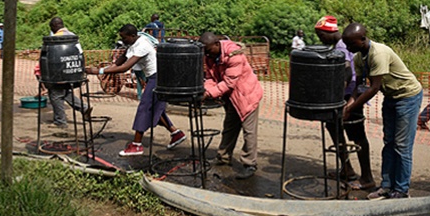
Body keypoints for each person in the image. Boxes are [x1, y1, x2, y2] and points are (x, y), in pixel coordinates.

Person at [342, 23, 423, 200]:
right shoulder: (358, 57)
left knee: (402, 146)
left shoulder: (378, 54)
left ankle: (401, 190)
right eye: (346, 44)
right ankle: (386, 186)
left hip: (407, 97)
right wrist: (348, 105)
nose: (348, 48)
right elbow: (359, 87)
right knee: (389, 142)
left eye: (350, 44)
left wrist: (350, 108)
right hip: (391, 97)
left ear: (363, 39)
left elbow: (374, 88)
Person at [86, 24, 186, 155]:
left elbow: (124, 67)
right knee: (154, 108)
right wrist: (106, 69)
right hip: (154, 77)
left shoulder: (142, 45)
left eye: (124, 38)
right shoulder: (132, 43)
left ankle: (137, 145)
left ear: (132, 36)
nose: (123, 40)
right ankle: (175, 133)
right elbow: (120, 61)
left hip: (159, 78)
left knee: (144, 108)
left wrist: (97, 71)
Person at [314, 15, 375, 191]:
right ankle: (346, 169)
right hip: (347, 95)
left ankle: (366, 176)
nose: (320, 39)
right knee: (335, 129)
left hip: (349, 97)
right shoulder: (341, 44)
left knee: (355, 135)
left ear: (327, 32)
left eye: (320, 35)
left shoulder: (341, 45)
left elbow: (347, 72)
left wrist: (342, 97)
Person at [200, 31, 264, 179]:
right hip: (231, 98)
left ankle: (250, 164)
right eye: (205, 52)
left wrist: (209, 94)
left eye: (208, 51)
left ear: (216, 44)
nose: (207, 54)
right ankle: (223, 157)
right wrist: (207, 89)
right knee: (229, 127)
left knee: (249, 131)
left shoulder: (234, 55)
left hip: (246, 95)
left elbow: (229, 83)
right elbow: (210, 77)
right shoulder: (210, 55)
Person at [41, 17, 90, 127]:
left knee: (55, 95)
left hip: (58, 74)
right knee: (66, 92)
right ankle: (84, 108)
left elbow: (51, 58)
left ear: (53, 27)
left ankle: (60, 121)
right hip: (72, 73)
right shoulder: (72, 36)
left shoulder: (54, 39)